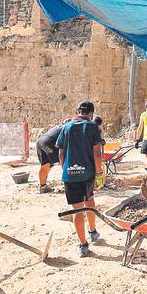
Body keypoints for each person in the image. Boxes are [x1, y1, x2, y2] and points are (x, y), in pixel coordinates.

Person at [57, 101, 104, 257]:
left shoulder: (66, 127)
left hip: (70, 174)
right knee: (89, 200)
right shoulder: (92, 127)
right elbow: (97, 153)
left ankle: (82, 245)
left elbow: (61, 153)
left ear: (77, 112)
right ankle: (92, 232)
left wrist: (66, 170)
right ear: (91, 114)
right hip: (88, 173)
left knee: (77, 209)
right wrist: (99, 174)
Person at [35, 118, 72, 194]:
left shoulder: (57, 127)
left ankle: (43, 187)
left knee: (45, 165)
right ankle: (69, 185)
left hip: (40, 142)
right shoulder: (66, 129)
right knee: (66, 163)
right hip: (49, 143)